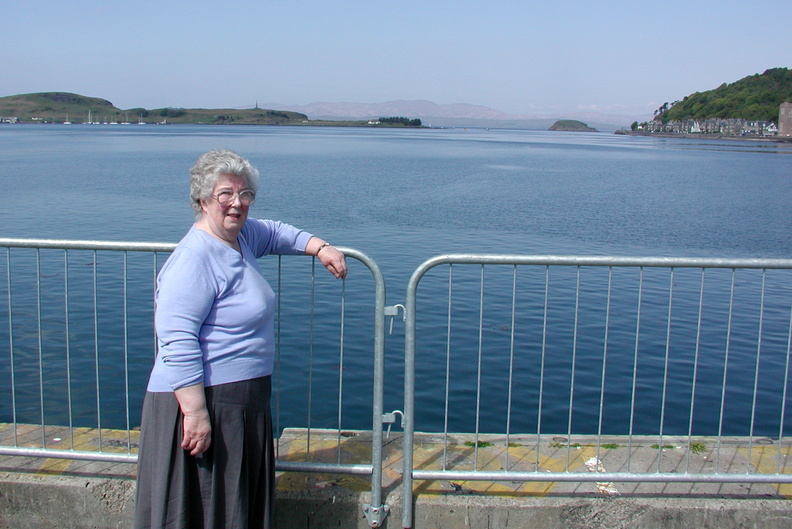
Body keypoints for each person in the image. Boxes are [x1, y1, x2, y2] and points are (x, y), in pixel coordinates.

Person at [134, 149, 347, 529]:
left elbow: (278, 232)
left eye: (245, 194)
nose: (237, 203)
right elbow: (176, 338)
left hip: (237, 403)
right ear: (202, 200)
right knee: (201, 512)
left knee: (231, 512)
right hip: (203, 402)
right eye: (225, 195)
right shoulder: (194, 257)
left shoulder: (240, 237)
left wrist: (320, 246)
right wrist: (196, 414)